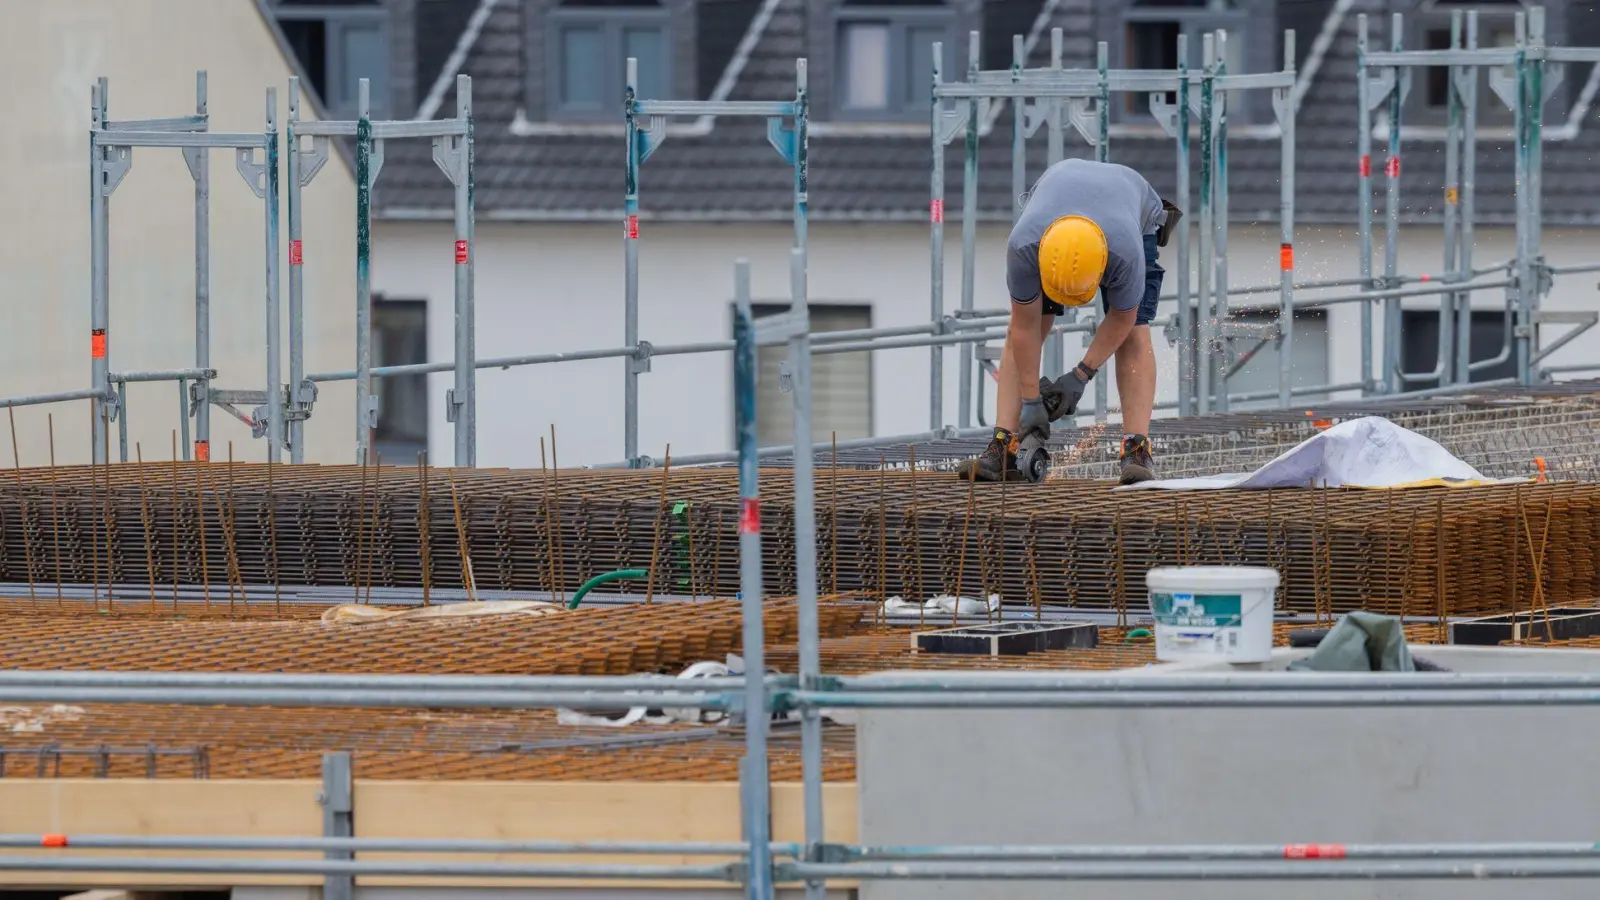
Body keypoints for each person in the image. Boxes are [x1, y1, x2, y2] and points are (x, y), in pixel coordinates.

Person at [955, 158, 1179, 485]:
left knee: (1135, 332)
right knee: (1024, 327)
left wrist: (1080, 375)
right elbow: (1024, 328)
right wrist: (1031, 401)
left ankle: (1137, 448)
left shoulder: (1126, 253)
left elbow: (1123, 317)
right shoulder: (1025, 246)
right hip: (1054, 213)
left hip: (1131, 207)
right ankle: (1003, 445)